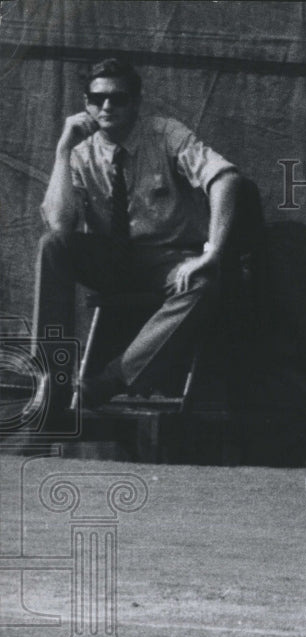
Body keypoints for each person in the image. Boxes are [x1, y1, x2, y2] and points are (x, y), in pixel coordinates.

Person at [33, 57, 241, 408]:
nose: (108, 106)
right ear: (86, 104)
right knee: (52, 245)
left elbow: (226, 178)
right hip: (113, 261)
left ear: (137, 103)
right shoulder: (81, 153)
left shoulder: (165, 134)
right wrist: (62, 151)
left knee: (204, 283)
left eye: (119, 98)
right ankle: (51, 376)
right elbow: (59, 224)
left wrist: (213, 252)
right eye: (98, 99)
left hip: (169, 260)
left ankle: (110, 380)